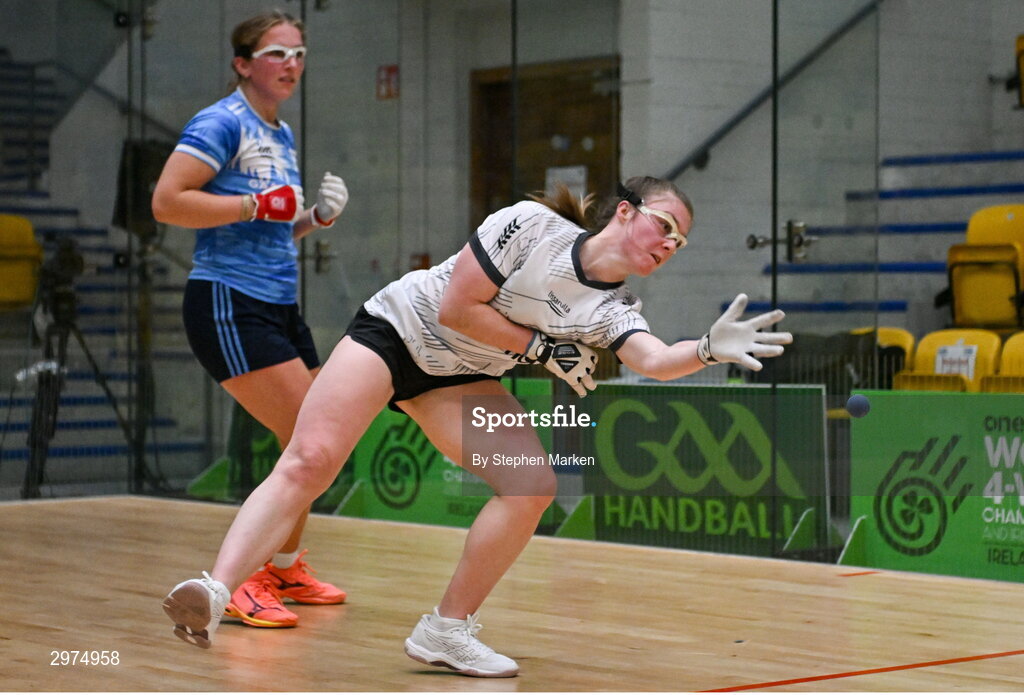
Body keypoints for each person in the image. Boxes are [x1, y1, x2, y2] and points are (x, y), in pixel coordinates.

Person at [161, 176, 792, 676]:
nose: (667, 244)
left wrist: (707, 347)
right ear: (624, 213)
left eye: (677, 243)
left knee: (531, 486)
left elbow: (653, 360)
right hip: (399, 332)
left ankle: (445, 631)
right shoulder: (528, 225)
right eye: (664, 226)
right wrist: (545, 351)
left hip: (457, 378)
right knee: (311, 460)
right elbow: (458, 307)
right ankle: (215, 592)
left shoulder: (609, 309)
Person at [152, 10, 349, 630]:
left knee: (320, 439)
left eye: (298, 54)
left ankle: (287, 566)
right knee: (307, 439)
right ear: (243, 64)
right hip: (227, 303)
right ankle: (243, 582)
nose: (291, 65)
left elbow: (268, 226)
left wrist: (310, 219)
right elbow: (168, 202)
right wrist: (254, 201)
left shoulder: (280, 132)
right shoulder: (221, 122)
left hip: (278, 304)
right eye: (276, 54)